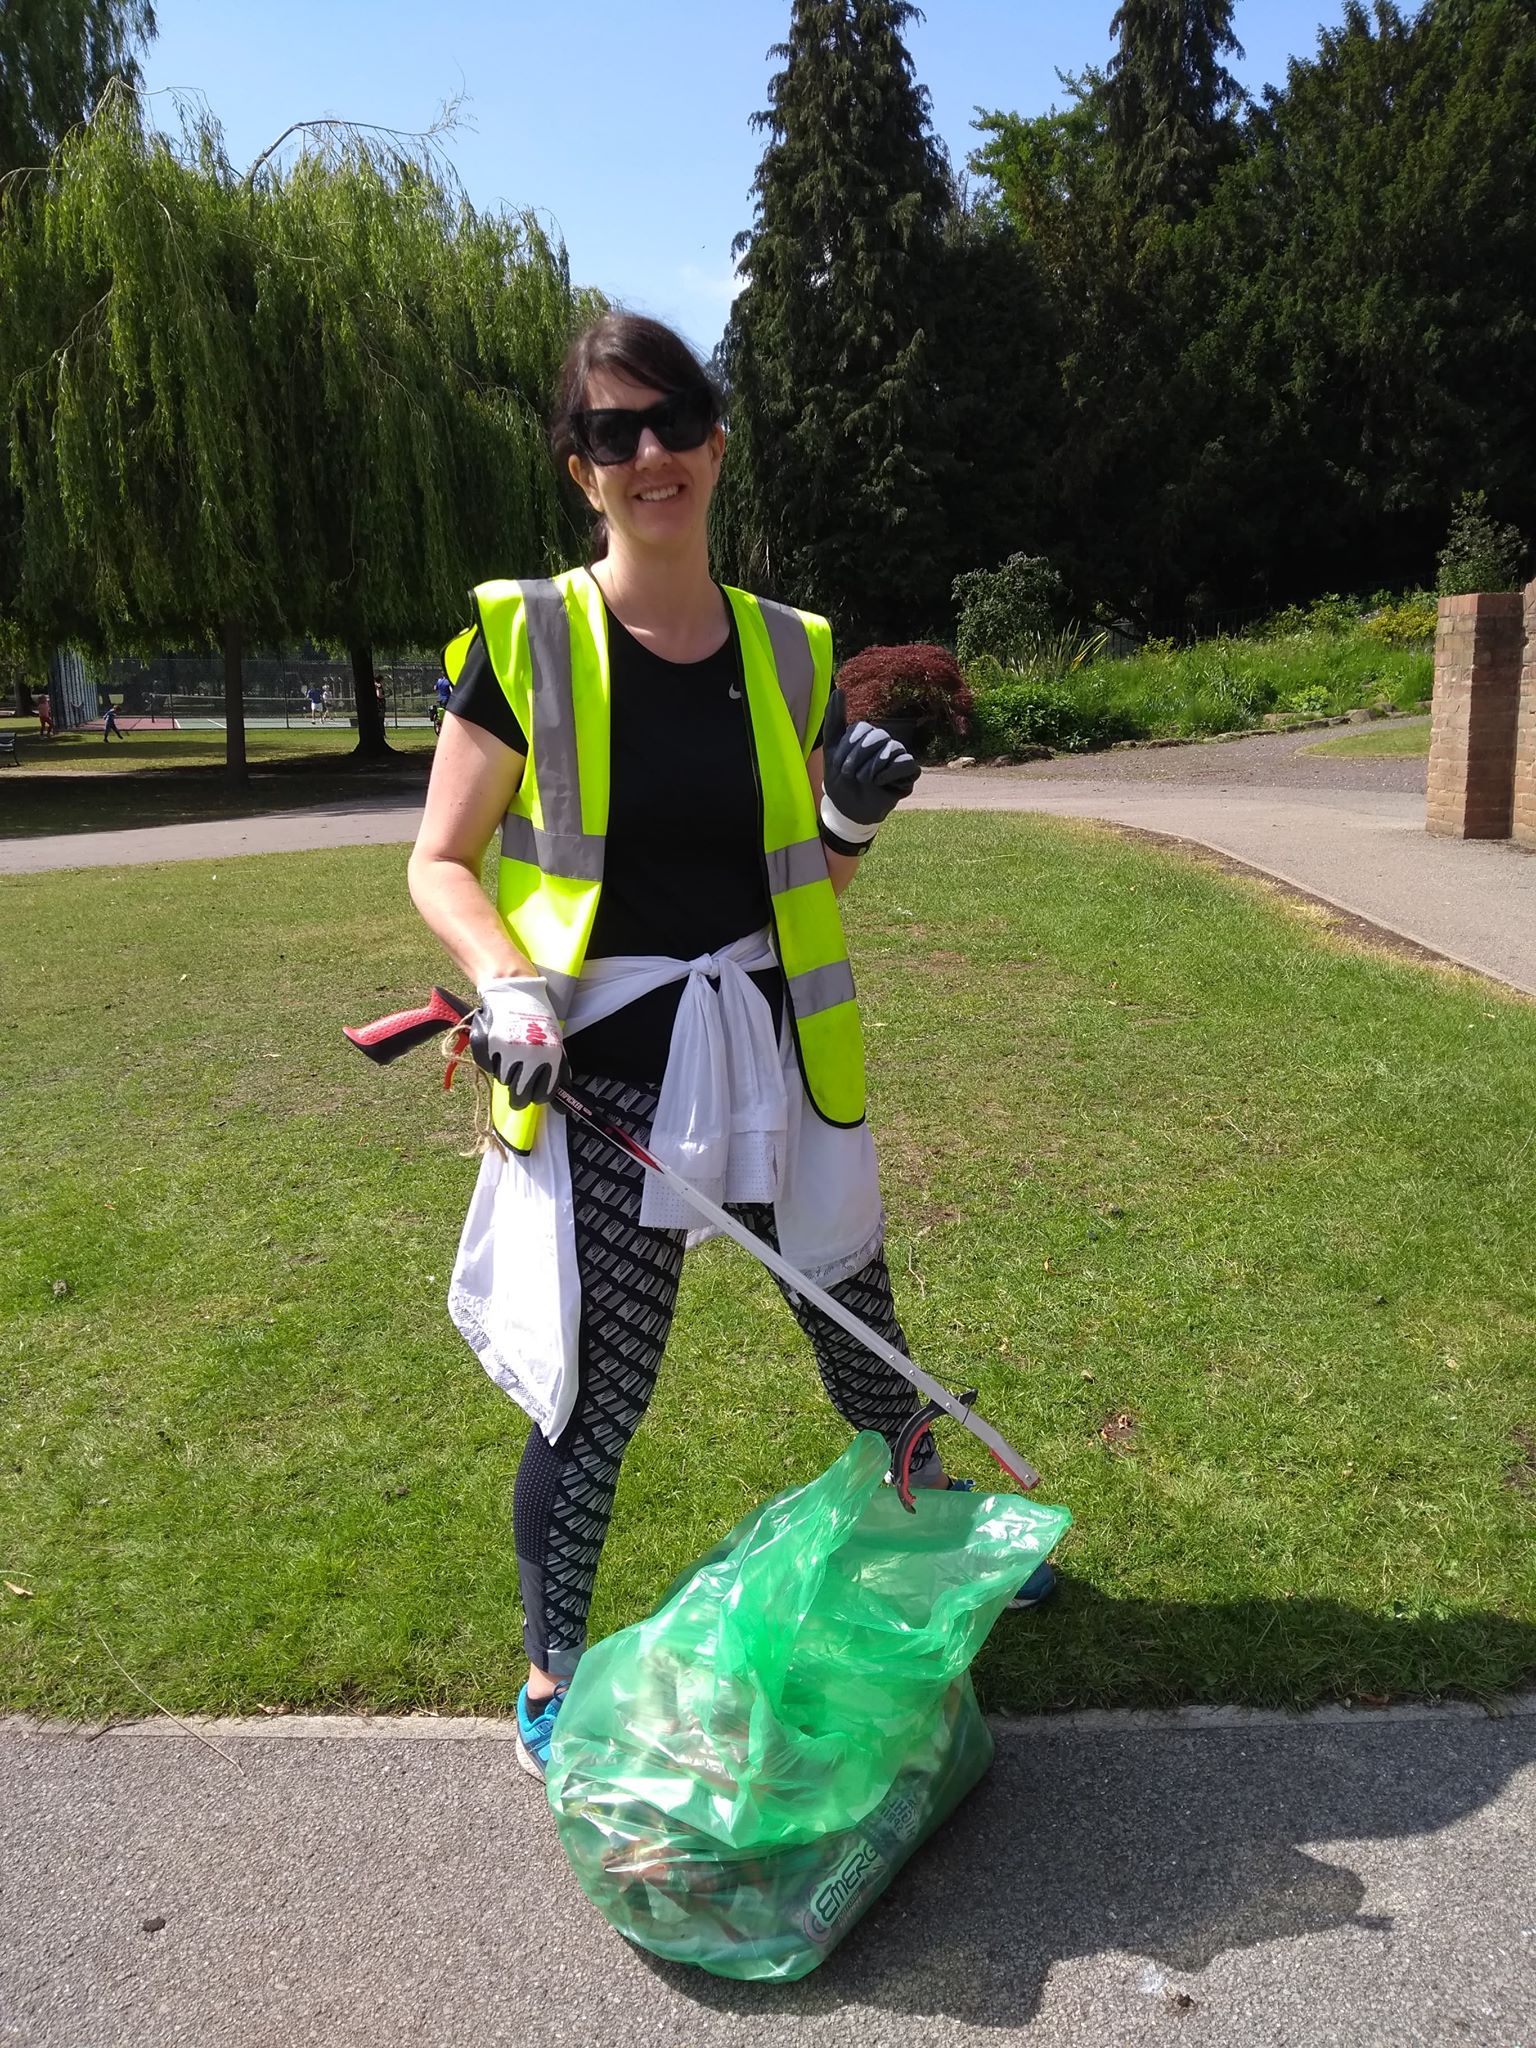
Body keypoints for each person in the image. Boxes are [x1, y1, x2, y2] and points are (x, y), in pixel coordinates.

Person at [405, 313, 1054, 1783]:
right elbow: (440, 860)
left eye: (673, 421)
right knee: (599, 1387)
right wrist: (506, 988)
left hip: (770, 1057)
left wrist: (849, 823)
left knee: (856, 1324)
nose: (650, 455)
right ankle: (551, 1670)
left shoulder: (790, 648)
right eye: (612, 434)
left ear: (716, 438)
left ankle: (952, 1542)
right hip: (605, 1080)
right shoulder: (527, 640)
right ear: (581, 471)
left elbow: (802, 887)